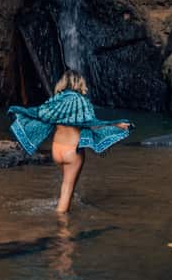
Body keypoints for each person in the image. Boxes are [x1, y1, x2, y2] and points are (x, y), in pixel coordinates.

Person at [7, 70, 132, 213]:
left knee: (67, 184)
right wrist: (117, 124)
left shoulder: (56, 100)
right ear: (79, 83)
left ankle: (67, 204)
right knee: (67, 187)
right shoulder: (81, 101)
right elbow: (93, 123)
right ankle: (63, 229)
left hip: (56, 151)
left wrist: (17, 110)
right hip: (72, 152)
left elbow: (38, 113)